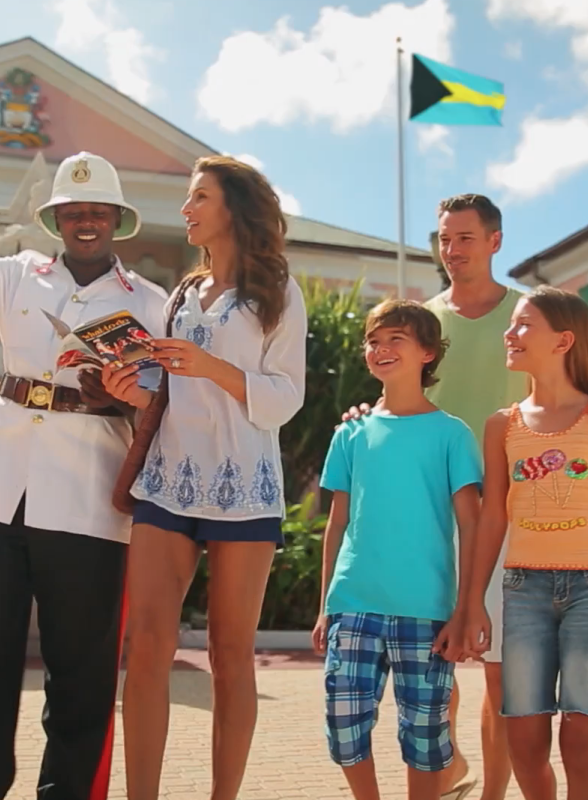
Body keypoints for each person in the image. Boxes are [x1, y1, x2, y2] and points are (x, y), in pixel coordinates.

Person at [102, 155, 307, 800]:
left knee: (229, 653)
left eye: (199, 198)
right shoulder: (182, 294)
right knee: (146, 645)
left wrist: (210, 365)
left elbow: (285, 398)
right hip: (167, 481)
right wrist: (130, 387)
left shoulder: (278, 291)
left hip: (244, 488)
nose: (186, 209)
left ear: (233, 207)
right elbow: (168, 387)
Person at [345, 194, 527, 800]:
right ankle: (445, 777)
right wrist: (366, 414)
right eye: (445, 238)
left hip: (506, 517)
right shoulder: (422, 319)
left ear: (495, 241)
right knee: (436, 679)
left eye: (466, 238)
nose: (452, 250)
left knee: (501, 679)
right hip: (431, 520)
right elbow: (395, 396)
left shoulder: (528, 317)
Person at [0, 152, 167, 800]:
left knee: (80, 678)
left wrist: (130, 393)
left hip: (90, 504)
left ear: (118, 219)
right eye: (73, 210)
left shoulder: (150, 304)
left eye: (97, 209)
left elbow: (165, 408)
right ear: (56, 218)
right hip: (4, 487)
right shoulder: (12, 277)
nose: (85, 221)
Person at [313, 299, 482, 800]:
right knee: (343, 725)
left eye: (396, 339)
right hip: (354, 604)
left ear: (427, 352)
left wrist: (465, 609)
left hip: (426, 612)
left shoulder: (453, 434)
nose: (380, 349)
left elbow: (471, 527)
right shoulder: (350, 432)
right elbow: (337, 522)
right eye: (373, 340)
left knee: (425, 736)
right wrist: (326, 605)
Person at [466, 286, 588, 800]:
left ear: (564, 340)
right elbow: (492, 517)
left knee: (584, 741)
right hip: (522, 591)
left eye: (524, 324)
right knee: (524, 741)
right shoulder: (502, 425)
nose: (510, 332)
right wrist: (473, 601)